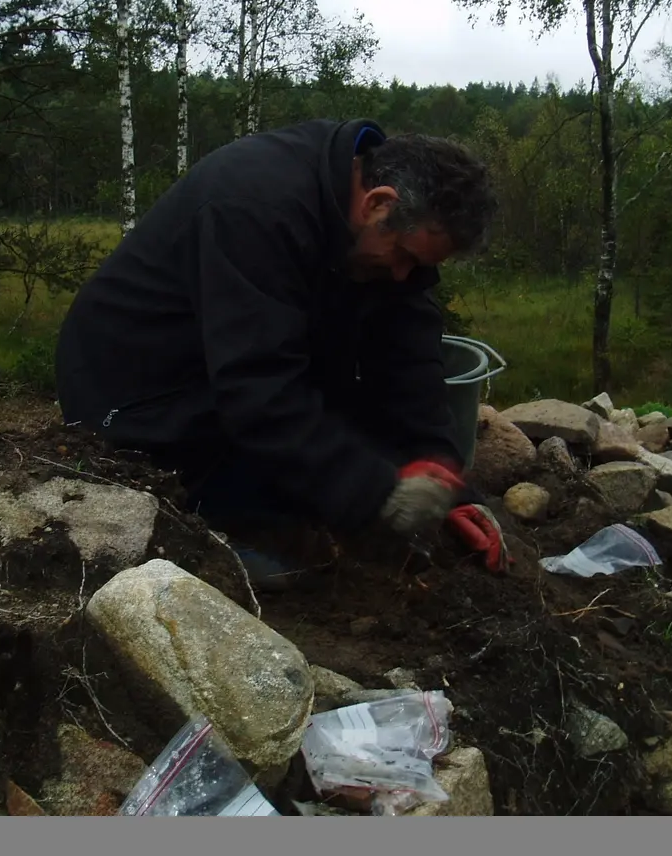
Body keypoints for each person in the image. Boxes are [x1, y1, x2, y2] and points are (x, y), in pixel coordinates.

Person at [55, 117, 507, 589]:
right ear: (379, 203)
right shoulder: (257, 205)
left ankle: (264, 510)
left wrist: (443, 480)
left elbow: (406, 355)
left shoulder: (377, 231)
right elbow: (259, 390)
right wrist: (381, 492)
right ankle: (218, 536)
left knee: (339, 442)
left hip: (223, 368)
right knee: (309, 488)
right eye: (405, 257)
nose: (402, 275)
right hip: (130, 390)